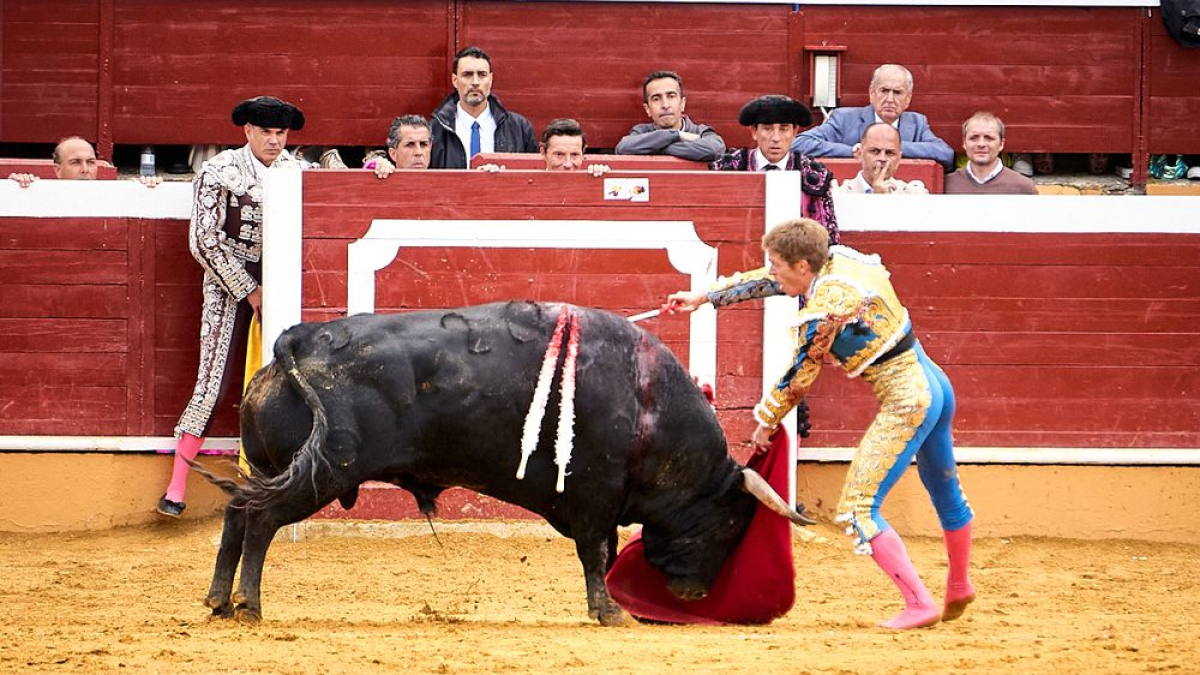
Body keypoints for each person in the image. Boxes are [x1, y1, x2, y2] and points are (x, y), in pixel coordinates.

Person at [664, 218, 975, 630]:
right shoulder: (835, 261)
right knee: (944, 486)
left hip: (909, 397)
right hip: (932, 378)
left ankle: (919, 603)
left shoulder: (825, 306)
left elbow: (801, 375)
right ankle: (958, 585)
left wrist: (765, 421)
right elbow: (769, 281)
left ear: (803, 267)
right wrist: (703, 297)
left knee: (857, 510)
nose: (772, 270)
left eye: (777, 263)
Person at [156, 95, 308, 519]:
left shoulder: (296, 170)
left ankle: (274, 484)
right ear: (248, 132)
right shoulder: (218, 170)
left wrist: (380, 167)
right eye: (267, 133)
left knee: (284, 382)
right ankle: (176, 487)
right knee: (212, 382)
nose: (275, 141)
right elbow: (204, 240)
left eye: (281, 134)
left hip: (283, 284)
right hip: (227, 283)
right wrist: (250, 291)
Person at [710, 95, 839, 243]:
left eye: (784, 129)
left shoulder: (813, 174)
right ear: (754, 131)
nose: (776, 138)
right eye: (767, 129)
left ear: (795, 132)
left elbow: (826, 237)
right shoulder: (730, 167)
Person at [793, 64, 954, 170]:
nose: (890, 99)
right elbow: (799, 144)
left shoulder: (917, 123)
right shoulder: (844, 119)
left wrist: (893, 149)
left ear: (908, 99)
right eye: (884, 91)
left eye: (897, 92)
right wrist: (854, 151)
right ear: (872, 93)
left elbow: (945, 154)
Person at [430, 46, 537, 169]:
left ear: (490, 80)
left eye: (482, 75)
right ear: (455, 80)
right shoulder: (436, 130)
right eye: (467, 74)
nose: (475, 82)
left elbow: (533, 177)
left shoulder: (519, 128)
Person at [614, 70, 726, 162]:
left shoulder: (700, 132)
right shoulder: (641, 131)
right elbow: (623, 148)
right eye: (656, 99)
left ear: (682, 104)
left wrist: (653, 147)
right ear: (647, 109)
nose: (665, 105)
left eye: (671, 96)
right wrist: (676, 135)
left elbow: (714, 149)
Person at [7, 136, 163, 188]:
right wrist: (16, 186)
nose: (85, 169)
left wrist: (147, 185)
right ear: (57, 169)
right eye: (75, 162)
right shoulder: (38, 191)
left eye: (91, 162)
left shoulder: (110, 195)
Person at [944, 113, 1038, 195]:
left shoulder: (1023, 187)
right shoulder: (948, 185)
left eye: (989, 138)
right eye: (974, 138)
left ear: (1001, 144)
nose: (981, 144)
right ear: (964, 143)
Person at [477, 118, 610, 176]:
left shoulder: (592, 181)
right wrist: (489, 178)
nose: (568, 164)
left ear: (583, 154)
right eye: (559, 155)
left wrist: (605, 179)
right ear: (543, 152)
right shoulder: (525, 185)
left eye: (574, 155)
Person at [836, 123, 928, 194]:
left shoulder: (913, 195)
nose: (882, 158)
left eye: (890, 153)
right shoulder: (839, 195)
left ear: (899, 159)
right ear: (860, 154)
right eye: (874, 151)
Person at [362, 114, 433, 178]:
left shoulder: (442, 182)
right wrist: (374, 166)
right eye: (410, 145)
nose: (418, 152)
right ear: (393, 154)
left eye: (423, 144)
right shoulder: (382, 178)